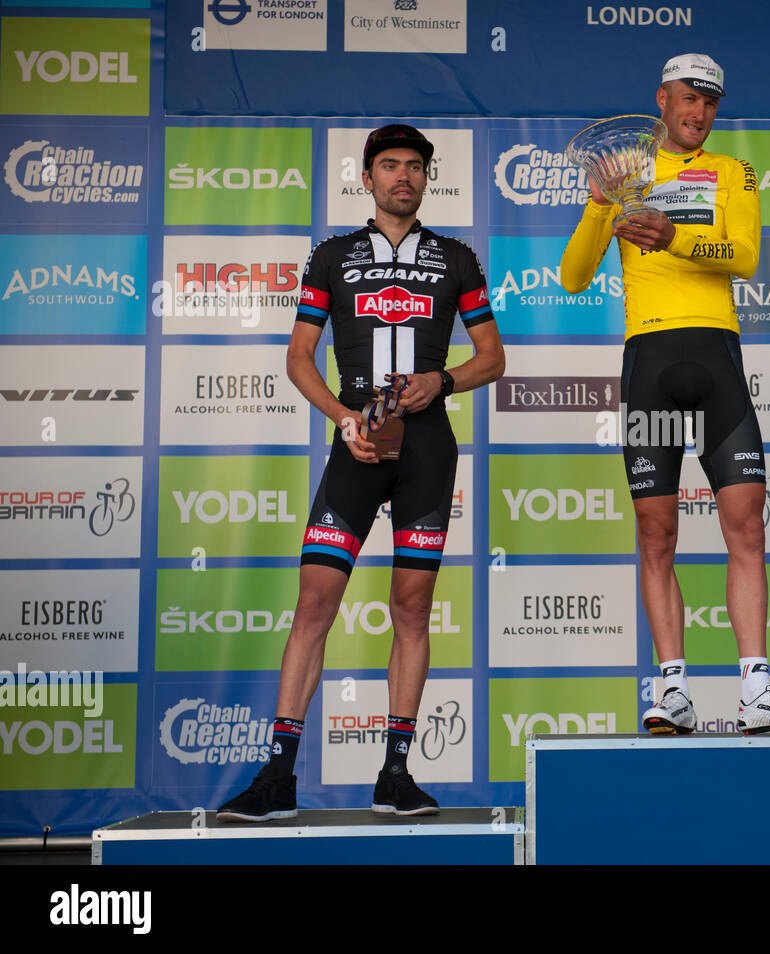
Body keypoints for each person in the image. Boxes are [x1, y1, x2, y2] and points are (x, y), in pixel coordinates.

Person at [217, 125, 505, 821]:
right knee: (314, 602)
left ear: (427, 178)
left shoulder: (456, 257)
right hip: (357, 440)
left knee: (411, 607)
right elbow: (298, 358)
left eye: (414, 167)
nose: (402, 177)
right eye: (389, 166)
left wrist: (443, 379)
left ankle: (395, 774)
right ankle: (278, 777)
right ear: (367, 177)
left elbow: (492, 358)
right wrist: (342, 419)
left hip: (429, 448)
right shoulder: (335, 255)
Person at [561, 54, 770, 735]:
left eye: (710, 102)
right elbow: (572, 277)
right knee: (656, 533)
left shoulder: (734, 171)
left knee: (747, 525)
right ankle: (671, 690)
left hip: (716, 359)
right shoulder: (626, 176)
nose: (699, 113)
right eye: (687, 99)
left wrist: (674, 236)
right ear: (662, 99)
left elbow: (745, 256)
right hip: (649, 360)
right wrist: (598, 202)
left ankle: (758, 689)